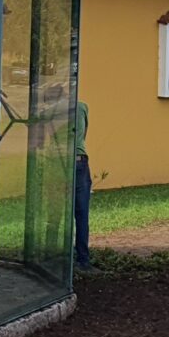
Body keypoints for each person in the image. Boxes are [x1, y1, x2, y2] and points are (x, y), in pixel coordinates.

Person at [73, 98, 91, 271]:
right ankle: (83, 259)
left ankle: (54, 260)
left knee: (55, 216)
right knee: (81, 213)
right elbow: (83, 135)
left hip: (58, 162)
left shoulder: (52, 110)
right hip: (80, 160)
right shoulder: (82, 107)